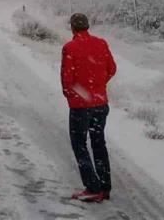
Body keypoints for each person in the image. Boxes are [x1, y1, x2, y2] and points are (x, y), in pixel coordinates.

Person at [60, 13, 117, 203]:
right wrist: (98, 88)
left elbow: (68, 80)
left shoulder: (70, 48)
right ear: (87, 26)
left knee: (79, 144)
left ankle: (92, 187)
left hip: (80, 107)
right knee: (98, 142)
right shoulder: (101, 43)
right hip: (101, 104)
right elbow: (112, 69)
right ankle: (105, 186)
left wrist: (80, 95)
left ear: (72, 28)